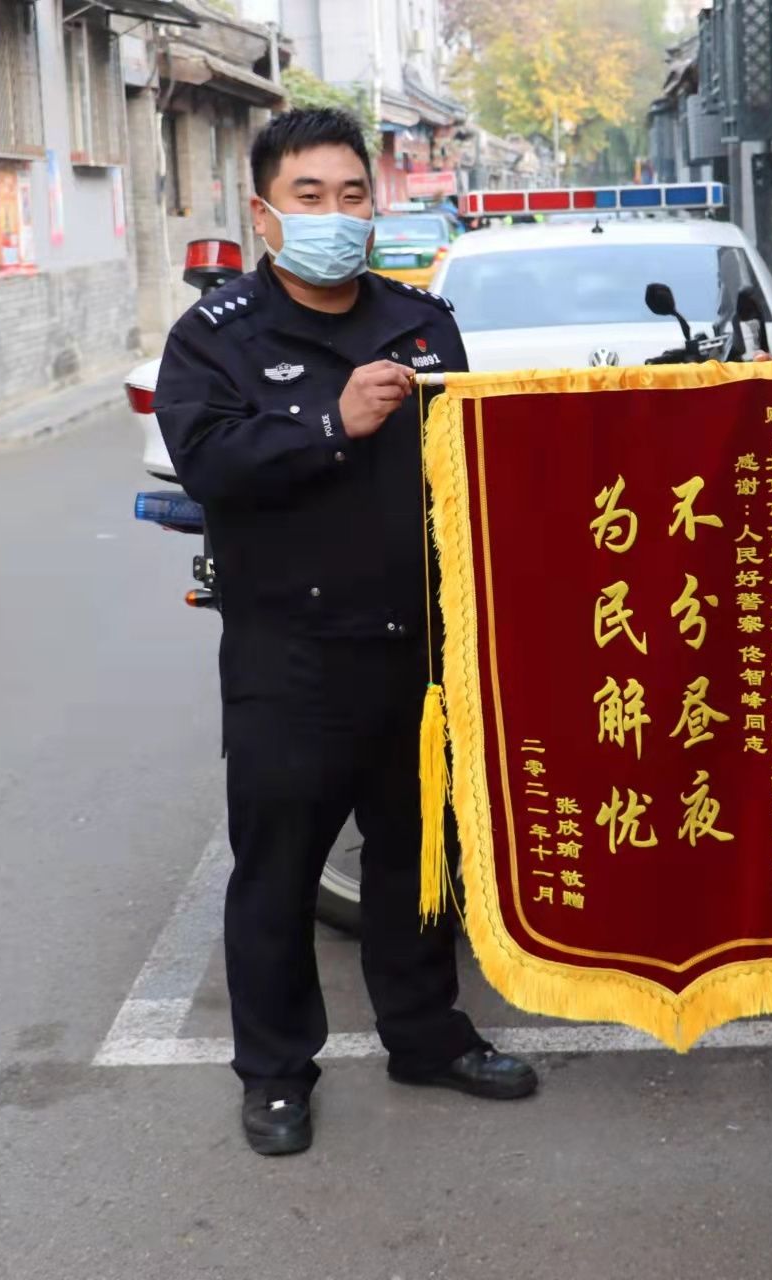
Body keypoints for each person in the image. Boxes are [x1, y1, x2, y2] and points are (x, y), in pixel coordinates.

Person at [153, 108, 537, 1159]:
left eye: (352, 195)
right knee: (276, 873)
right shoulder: (217, 336)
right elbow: (210, 461)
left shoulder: (420, 322)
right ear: (266, 214)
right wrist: (334, 421)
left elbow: (467, 475)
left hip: (415, 649)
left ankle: (426, 1033)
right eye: (309, 197)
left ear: (377, 206)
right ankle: (276, 1071)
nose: (334, 215)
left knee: (421, 862)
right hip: (290, 658)